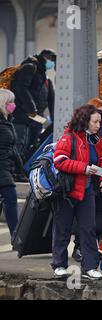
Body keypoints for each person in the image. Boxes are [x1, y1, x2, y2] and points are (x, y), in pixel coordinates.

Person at [52, 104, 102, 280]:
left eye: (99, 122)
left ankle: (90, 266)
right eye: (95, 122)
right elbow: (59, 160)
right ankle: (59, 265)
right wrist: (84, 168)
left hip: (87, 191)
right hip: (67, 191)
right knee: (62, 229)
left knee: (88, 229)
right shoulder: (68, 136)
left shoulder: (95, 139)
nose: (98, 125)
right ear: (85, 121)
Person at [71, 98, 102, 262]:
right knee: (85, 217)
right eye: (100, 113)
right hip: (87, 179)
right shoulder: (85, 133)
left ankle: (94, 248)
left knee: (100, 215)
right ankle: (79, 247)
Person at [10, 49, 57, 162]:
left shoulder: (44, 78)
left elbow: (51, 102)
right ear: (47, 58)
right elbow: (21, 88)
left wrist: (55, 120)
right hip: (24, 115)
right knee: (21, 143)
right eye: (52, 60)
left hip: (36, 117)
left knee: (31, 143)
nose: (53, 64)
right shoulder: (30, 67)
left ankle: (21, 168)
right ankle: (15, 170)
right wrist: (31, 108)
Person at [0, 89, 21, 243]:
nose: (13, 105)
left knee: (8, 199)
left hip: (6, 167)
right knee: (10, 198)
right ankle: (16, 236)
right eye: (9, 102)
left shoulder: (7, 121)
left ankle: (16, 236)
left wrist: (21, 167)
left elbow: (12, 148)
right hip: (2, 168)